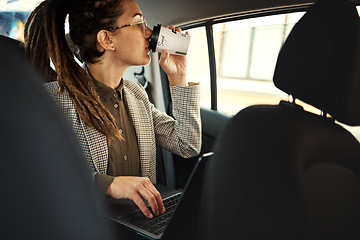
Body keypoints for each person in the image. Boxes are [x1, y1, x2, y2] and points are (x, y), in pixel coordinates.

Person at [24, 0, 201, 219]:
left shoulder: (137, 96)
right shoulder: (52, 100)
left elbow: (187, 145)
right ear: (107, 39)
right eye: (138, 23)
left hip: (141, 224)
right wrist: (107, 185)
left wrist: (178, 77)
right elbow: (34, 174)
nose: (148, 33)